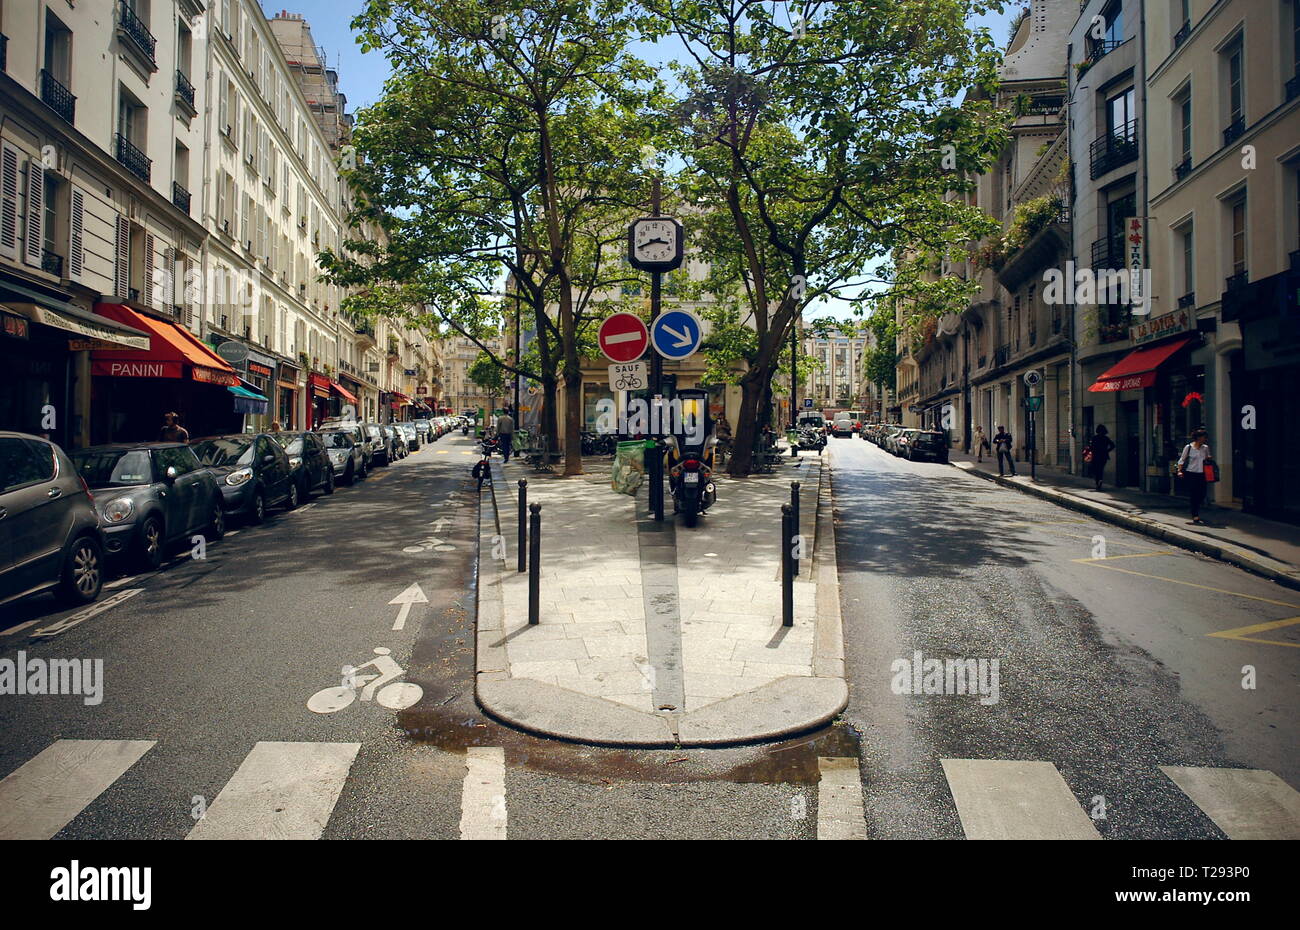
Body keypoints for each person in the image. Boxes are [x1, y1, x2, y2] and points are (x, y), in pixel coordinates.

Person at [1177, 428, 1212, 525]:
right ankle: (1195, 515)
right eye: (1204, 437)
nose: (1205, 439)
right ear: (1198, 438)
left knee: (1202, 494)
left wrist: (1208, 458)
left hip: (1202, 473)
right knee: (1194, 494)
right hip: (1191, 473)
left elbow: (1207, 459)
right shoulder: (1188, 447)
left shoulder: (1205, 448)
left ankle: (1196, 507)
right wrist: (1179, 471)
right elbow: (1182, 460)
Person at [1087, 424, 1115, 491]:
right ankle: (1100, 480)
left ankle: (1098, 483)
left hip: (1096, 456)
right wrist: (1107, 451)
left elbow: (1091, 447)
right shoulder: (1106, 438)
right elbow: (1113, 445)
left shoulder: (1094, 438)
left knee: (1096, 470)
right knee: (1100, 469)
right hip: (1103, 456)